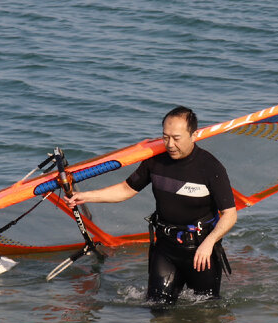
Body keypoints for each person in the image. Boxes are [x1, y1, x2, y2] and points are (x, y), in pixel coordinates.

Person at [67, 106, 237, 305]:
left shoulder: (210, 167)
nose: (170, 144)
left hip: (201, 251)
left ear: (194, 134)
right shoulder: (156, 162)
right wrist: (86, 196)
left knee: (205, 313)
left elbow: (230, 214)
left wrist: (209, 243)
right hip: (165, 249)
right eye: (165, 137)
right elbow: (125, 189)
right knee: (157, 311)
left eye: (176, 138)